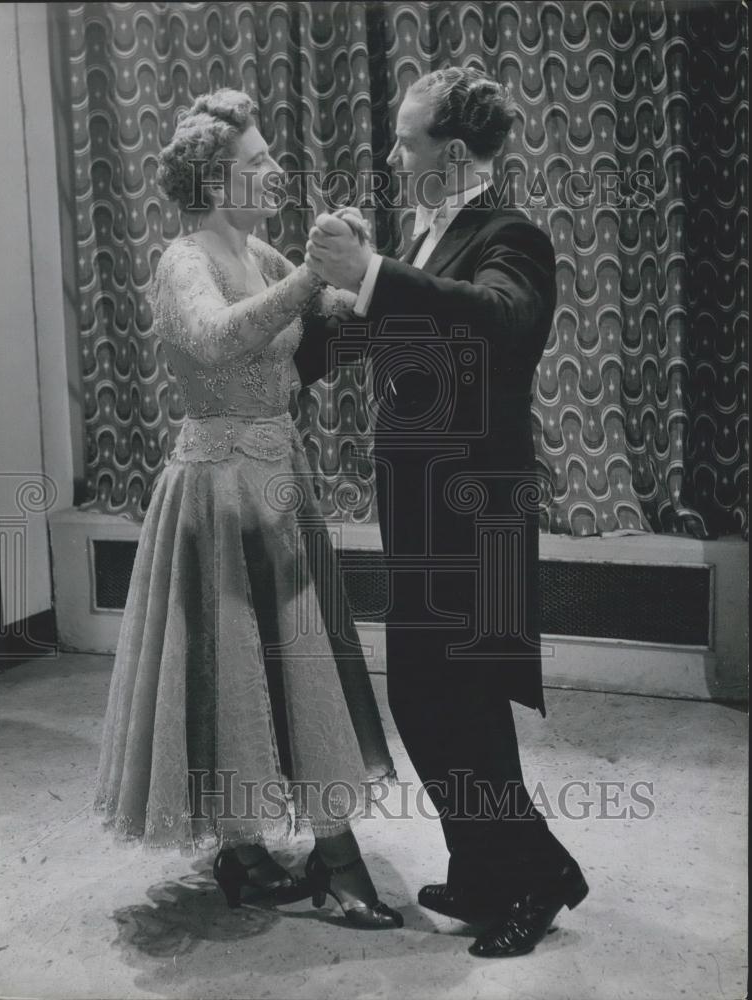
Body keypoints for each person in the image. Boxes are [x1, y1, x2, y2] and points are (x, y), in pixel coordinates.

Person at [93, 88, 402, 930]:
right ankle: (330, 864)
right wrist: (311, 274)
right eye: (258, 162)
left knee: (286, 664)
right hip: (218, 488)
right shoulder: (183, 258)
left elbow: (343, 314)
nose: (274, 172)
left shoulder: (260, 252)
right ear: (211, 178)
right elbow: (213, 337)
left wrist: (363, 273)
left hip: (273, 478)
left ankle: (246, 850)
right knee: (234, 663)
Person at [304, 67, 588, 957]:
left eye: (405, 140)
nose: (392, 154)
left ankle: (536, 878)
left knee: (459, 702)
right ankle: (486, 868)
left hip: (477, 513)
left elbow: (500, 322)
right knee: (431, 702)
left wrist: (377, 274)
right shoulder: (426, 242)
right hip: (424, 511)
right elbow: (384, 332)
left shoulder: (510, 235)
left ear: (451, 152)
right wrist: (313, 301)